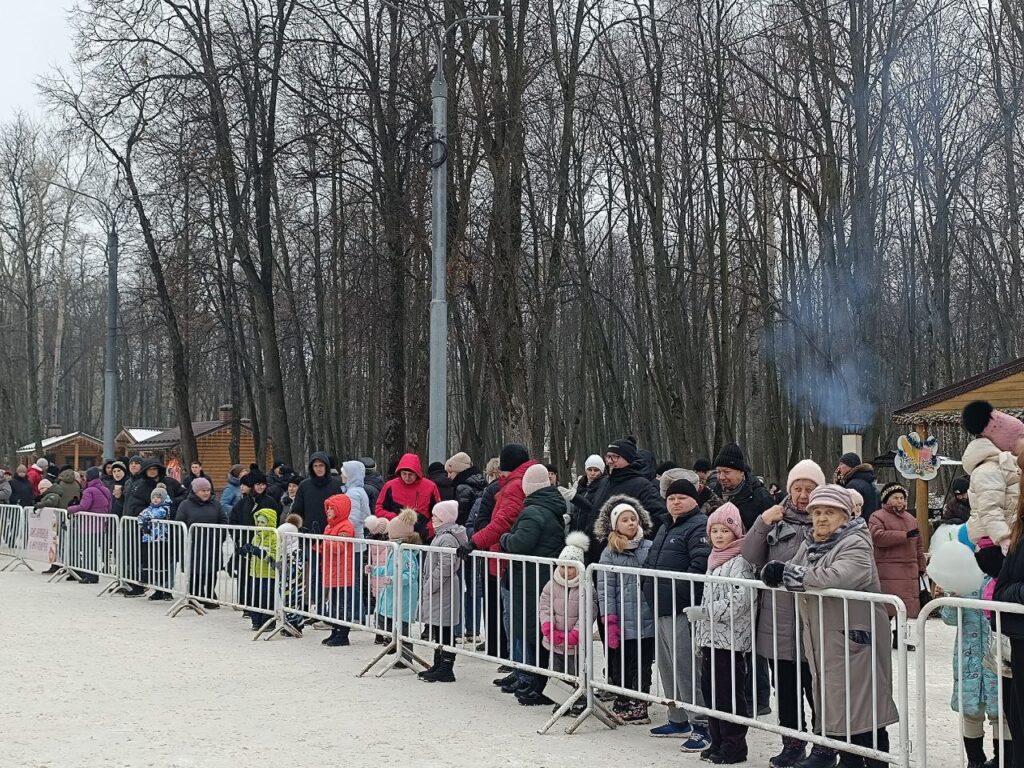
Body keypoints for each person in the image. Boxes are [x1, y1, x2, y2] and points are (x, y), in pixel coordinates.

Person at [760, 485, 900, 768]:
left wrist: (786, 573)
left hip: (857, 639)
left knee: (864, 710)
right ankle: (847, 761)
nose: (822, 518)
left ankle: (875, 763)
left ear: (845, 516)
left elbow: (836, 576)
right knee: (838, 707)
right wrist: (778, 570)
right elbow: (795, 570)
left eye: (830, 512)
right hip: (825, 639)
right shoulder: (811, 543)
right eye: (817, 512)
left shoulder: (856, 542)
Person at [741, 459, 828, 767]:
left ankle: (824, 745)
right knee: (787, 689)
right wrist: (762, 522)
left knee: (817, 688)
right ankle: (792, 744)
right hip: (777, 622)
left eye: (810, 489)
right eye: (798, 488)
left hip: (814, 622)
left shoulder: (828, 519)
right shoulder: (776, 519)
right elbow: (750, 555)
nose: (803, 495)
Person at [643, 478, 711, 749]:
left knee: (687, 668)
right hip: (659, 608)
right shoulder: (665, 526)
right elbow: (651, 562)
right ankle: (677, 717)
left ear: (694, 500)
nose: (675, 501)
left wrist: (679, 594)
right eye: (671, 498)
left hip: (682, 610)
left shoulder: (698, 526)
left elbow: (700, 565)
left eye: (681, 497)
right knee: (668, 667)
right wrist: (646, 586)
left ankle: (701, 724)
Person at [687, 503, 755, 764]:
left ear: (735, 532)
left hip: (731, 641)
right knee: (711, 693)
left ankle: (734, 744)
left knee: (728, 694)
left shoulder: (740, 561)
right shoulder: (714, 560)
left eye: (724, 530)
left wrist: (706, 612)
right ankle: (717, 740)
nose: (718, 536)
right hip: (710, 639)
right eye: (714, 530)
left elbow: (741, 598)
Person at [498, 462, 567, 706]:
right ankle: (534, 680)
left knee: (533, 631)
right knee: (537, 630)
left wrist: (504, 538)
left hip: (531, 578)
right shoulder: (549, 507)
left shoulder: (533, 511)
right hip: (538, 575)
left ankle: (537, 683)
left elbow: (520, 543)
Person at [463, 443, 536, 665]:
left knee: (515, 615)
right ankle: (516, 664)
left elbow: (502, 522)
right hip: (505, 554)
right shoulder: (515, 483)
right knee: (512, 613)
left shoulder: (514, 486)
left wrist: (475, 541)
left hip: (508, 556)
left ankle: (520, 665)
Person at [595, 496, 656, 724]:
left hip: (645, 618)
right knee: (620, 662)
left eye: (634, 519)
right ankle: (622, 698)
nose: (631, 523)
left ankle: (640, 703)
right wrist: (608, 618)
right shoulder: (609, 553)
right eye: (625, 520)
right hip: (620, 620)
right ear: (615, 525)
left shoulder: (649, 548)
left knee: (641, 663)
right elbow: (605, 588)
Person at [937, 581, 1010, 768]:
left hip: (998, 653)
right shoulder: (962, 576)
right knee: (970, 710)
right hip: (968, 656)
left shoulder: (1001, 571)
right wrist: (953, 597)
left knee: (1002, 711)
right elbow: (949, 619)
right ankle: (975, 760)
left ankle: (1003, 759)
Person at [538, 531, 591, 717]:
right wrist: (547, 626)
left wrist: (576, 633)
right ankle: (561, 701)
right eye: (563, 567)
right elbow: (544, 605)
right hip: (555, 638)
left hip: (576, 642)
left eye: (572, 568)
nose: (567, 572)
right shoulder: (552, 583)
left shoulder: (585, 586)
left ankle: (579, 699)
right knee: (557, 671)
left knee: (575, 671)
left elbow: (588, 612)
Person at [961, 401, 1024, 549]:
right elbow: (989, 508)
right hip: (995, 542)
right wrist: (1003, 538)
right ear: (1007, 443)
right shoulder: (988, 469)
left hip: (1012, 536)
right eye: (1021, 437)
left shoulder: (1010, 466)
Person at [418, 500, 468, 682]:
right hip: (440, 588)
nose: (432, 519)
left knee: (444, 628)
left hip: (444, 588)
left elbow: (446, 564)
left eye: (436, 516)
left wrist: (432, 583)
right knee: (438, 627)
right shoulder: (440, 535)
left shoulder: (446, 538)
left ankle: (446, 666)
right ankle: (438, 663)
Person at [869, 483, 927, 637]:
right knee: (888, 605)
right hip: (888, 569)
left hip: (909, 570)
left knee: (905, 606)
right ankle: (883, 634)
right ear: (887, 499)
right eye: (895, 498)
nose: (900, 501)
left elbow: (918, 545)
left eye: (902, 498)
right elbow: (877, 537)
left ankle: (901, 636)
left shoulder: (911, 518)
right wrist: (904, 535)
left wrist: (921, 565)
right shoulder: (877, 516)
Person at [587, 438, 668, 532]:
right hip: (599, 544)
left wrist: (633, 536)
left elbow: (659, 518)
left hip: (625, 545)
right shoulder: (604, 482)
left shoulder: (642, 485)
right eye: (608, 456)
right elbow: (594, 513)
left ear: (628, 459)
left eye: (615, 457)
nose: (610, 461)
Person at [372, 508, 421, 665]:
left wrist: (393, 579)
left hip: (404, 597)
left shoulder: (406, 551)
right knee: (383, 618)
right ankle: (392, 642)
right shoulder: (395, 548)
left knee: (403, 628)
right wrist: (375, 570)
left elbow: (410, 575)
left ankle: (406, 658)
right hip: (392, 595)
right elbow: (389, 568)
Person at [175, 477, 227, 607]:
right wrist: (185, 538)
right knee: (195, 572)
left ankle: (210, 596)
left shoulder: (215, 504)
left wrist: (220, 537)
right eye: (202, 490)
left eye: (208, 490)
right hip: (194, 545)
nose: (206, 493)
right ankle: (194, 595)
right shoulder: (185, 505)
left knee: (211, 572)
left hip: (212, 544)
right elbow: (179, 523)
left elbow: (223, 520)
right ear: (195, 491)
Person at [375, 453, 441, 539]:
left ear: (417, 473)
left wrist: (429, 529)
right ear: (399, 472)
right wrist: (394, 517)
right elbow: (379, 508)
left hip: (422, 537)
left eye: (410, 474)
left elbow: (438, 512)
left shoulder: (430, 487)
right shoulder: (390, 486)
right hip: (394, 536)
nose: (407, 477)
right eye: (404, 474)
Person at [66, 467, 114, 584]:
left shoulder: (89, 490)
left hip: (89, 524)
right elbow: (110, 506)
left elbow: (84, 506)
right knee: (95, 550)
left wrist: (70, 509)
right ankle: (94, 575)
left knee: (89, 551)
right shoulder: (105, 489)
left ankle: (90, 576)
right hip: (102, 523)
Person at [713, 443, 774, 531]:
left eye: (726, 472)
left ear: (741, 472)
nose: (721, 477)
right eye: (718, 472)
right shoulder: (715, 494)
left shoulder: (761, 497)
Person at [322, 494, 356, 647]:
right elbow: (325, 548)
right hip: (332, 571)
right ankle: (335, 630)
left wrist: (324, 540)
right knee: (334, 603)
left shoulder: (346, 526)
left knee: (342, 604)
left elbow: (340, 547)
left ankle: (343, 634)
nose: (328, 511)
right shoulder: (330, 526)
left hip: (343, 571)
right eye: (327, 508)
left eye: (332, 508)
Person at [291, 452, 343, 535]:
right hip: (308, 532)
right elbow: (297, 510)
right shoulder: (304, 485)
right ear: (311, 468)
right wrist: (297, 527)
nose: (318, 469)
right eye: (315, 466)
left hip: (331, 532)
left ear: (326, 466)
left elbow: (342, 510)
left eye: (321, 465)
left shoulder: (336, 484)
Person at [136, 485, 174, 601]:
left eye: (158, 497)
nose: (156, 499)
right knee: (155, 564)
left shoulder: (165, 508)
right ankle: (157, 589)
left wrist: (146, 519)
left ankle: (167, 590)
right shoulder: (150, 508)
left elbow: (156, 515)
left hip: (162, 540)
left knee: (164, 565)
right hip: (151, 539)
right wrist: (144, 521)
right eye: (154, 497)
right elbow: (140, 516)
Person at [363, 514, 391, 644]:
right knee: (387, 608)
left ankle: (378, 634)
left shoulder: (372, 544)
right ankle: (386, 634)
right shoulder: (389, 546)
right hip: (386, 581)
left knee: (377, 607)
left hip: (376, 580)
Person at [277, 512, 305, 633]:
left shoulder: (295, 553)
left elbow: (291, 569)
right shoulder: (285, 552)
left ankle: (295, 625)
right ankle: (290, 623)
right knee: (288, 602)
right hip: (287, 583)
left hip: (293, 584)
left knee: (293, 602)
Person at [834, 453, 881, 521]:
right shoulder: (868, 481)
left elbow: (852, 512)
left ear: (850, 466)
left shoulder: (853, 485)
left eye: (841, 464)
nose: (839, 467)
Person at [446, 452, 487, 526]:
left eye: (450, 472)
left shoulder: (462, 487)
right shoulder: (479, 482)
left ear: (459, 470)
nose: (448, 476)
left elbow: (461, 515)